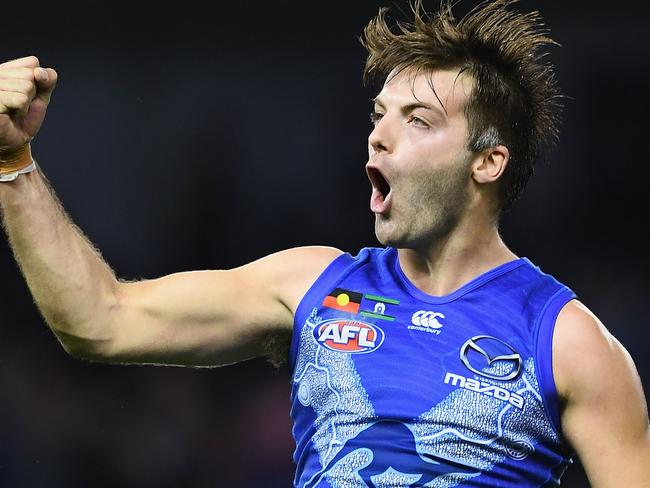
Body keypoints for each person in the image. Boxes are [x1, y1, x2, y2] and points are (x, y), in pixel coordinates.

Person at [1, 0, 648, 486]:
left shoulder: (569, 343)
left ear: (488, 162)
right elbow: (100, 321)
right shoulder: (312, 285)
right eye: (379, 117)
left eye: (417, 121)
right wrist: (12, 160)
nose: (379, 137)